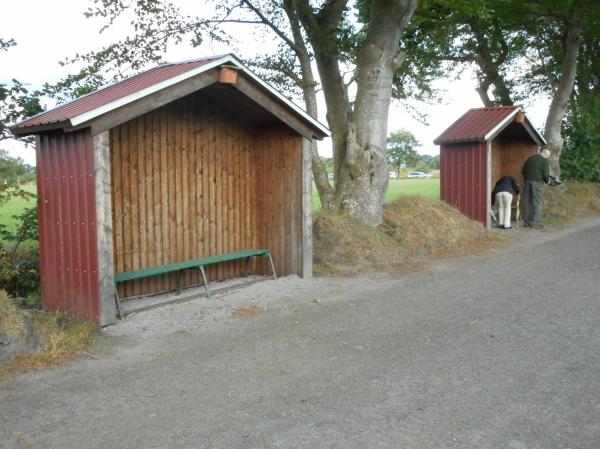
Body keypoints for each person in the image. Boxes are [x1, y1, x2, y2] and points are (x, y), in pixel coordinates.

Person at [521, 149, 550, 228]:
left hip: (527, 182)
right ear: (546, 155)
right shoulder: (545, 160)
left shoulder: (530, 158)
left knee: (527, 201)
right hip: (537, 183)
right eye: (548, 156)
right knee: (537, 202)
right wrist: (547, 181)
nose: (547, 158)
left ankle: (526, 223)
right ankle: (535, 223)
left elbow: (522, 171)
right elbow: (545, 174)